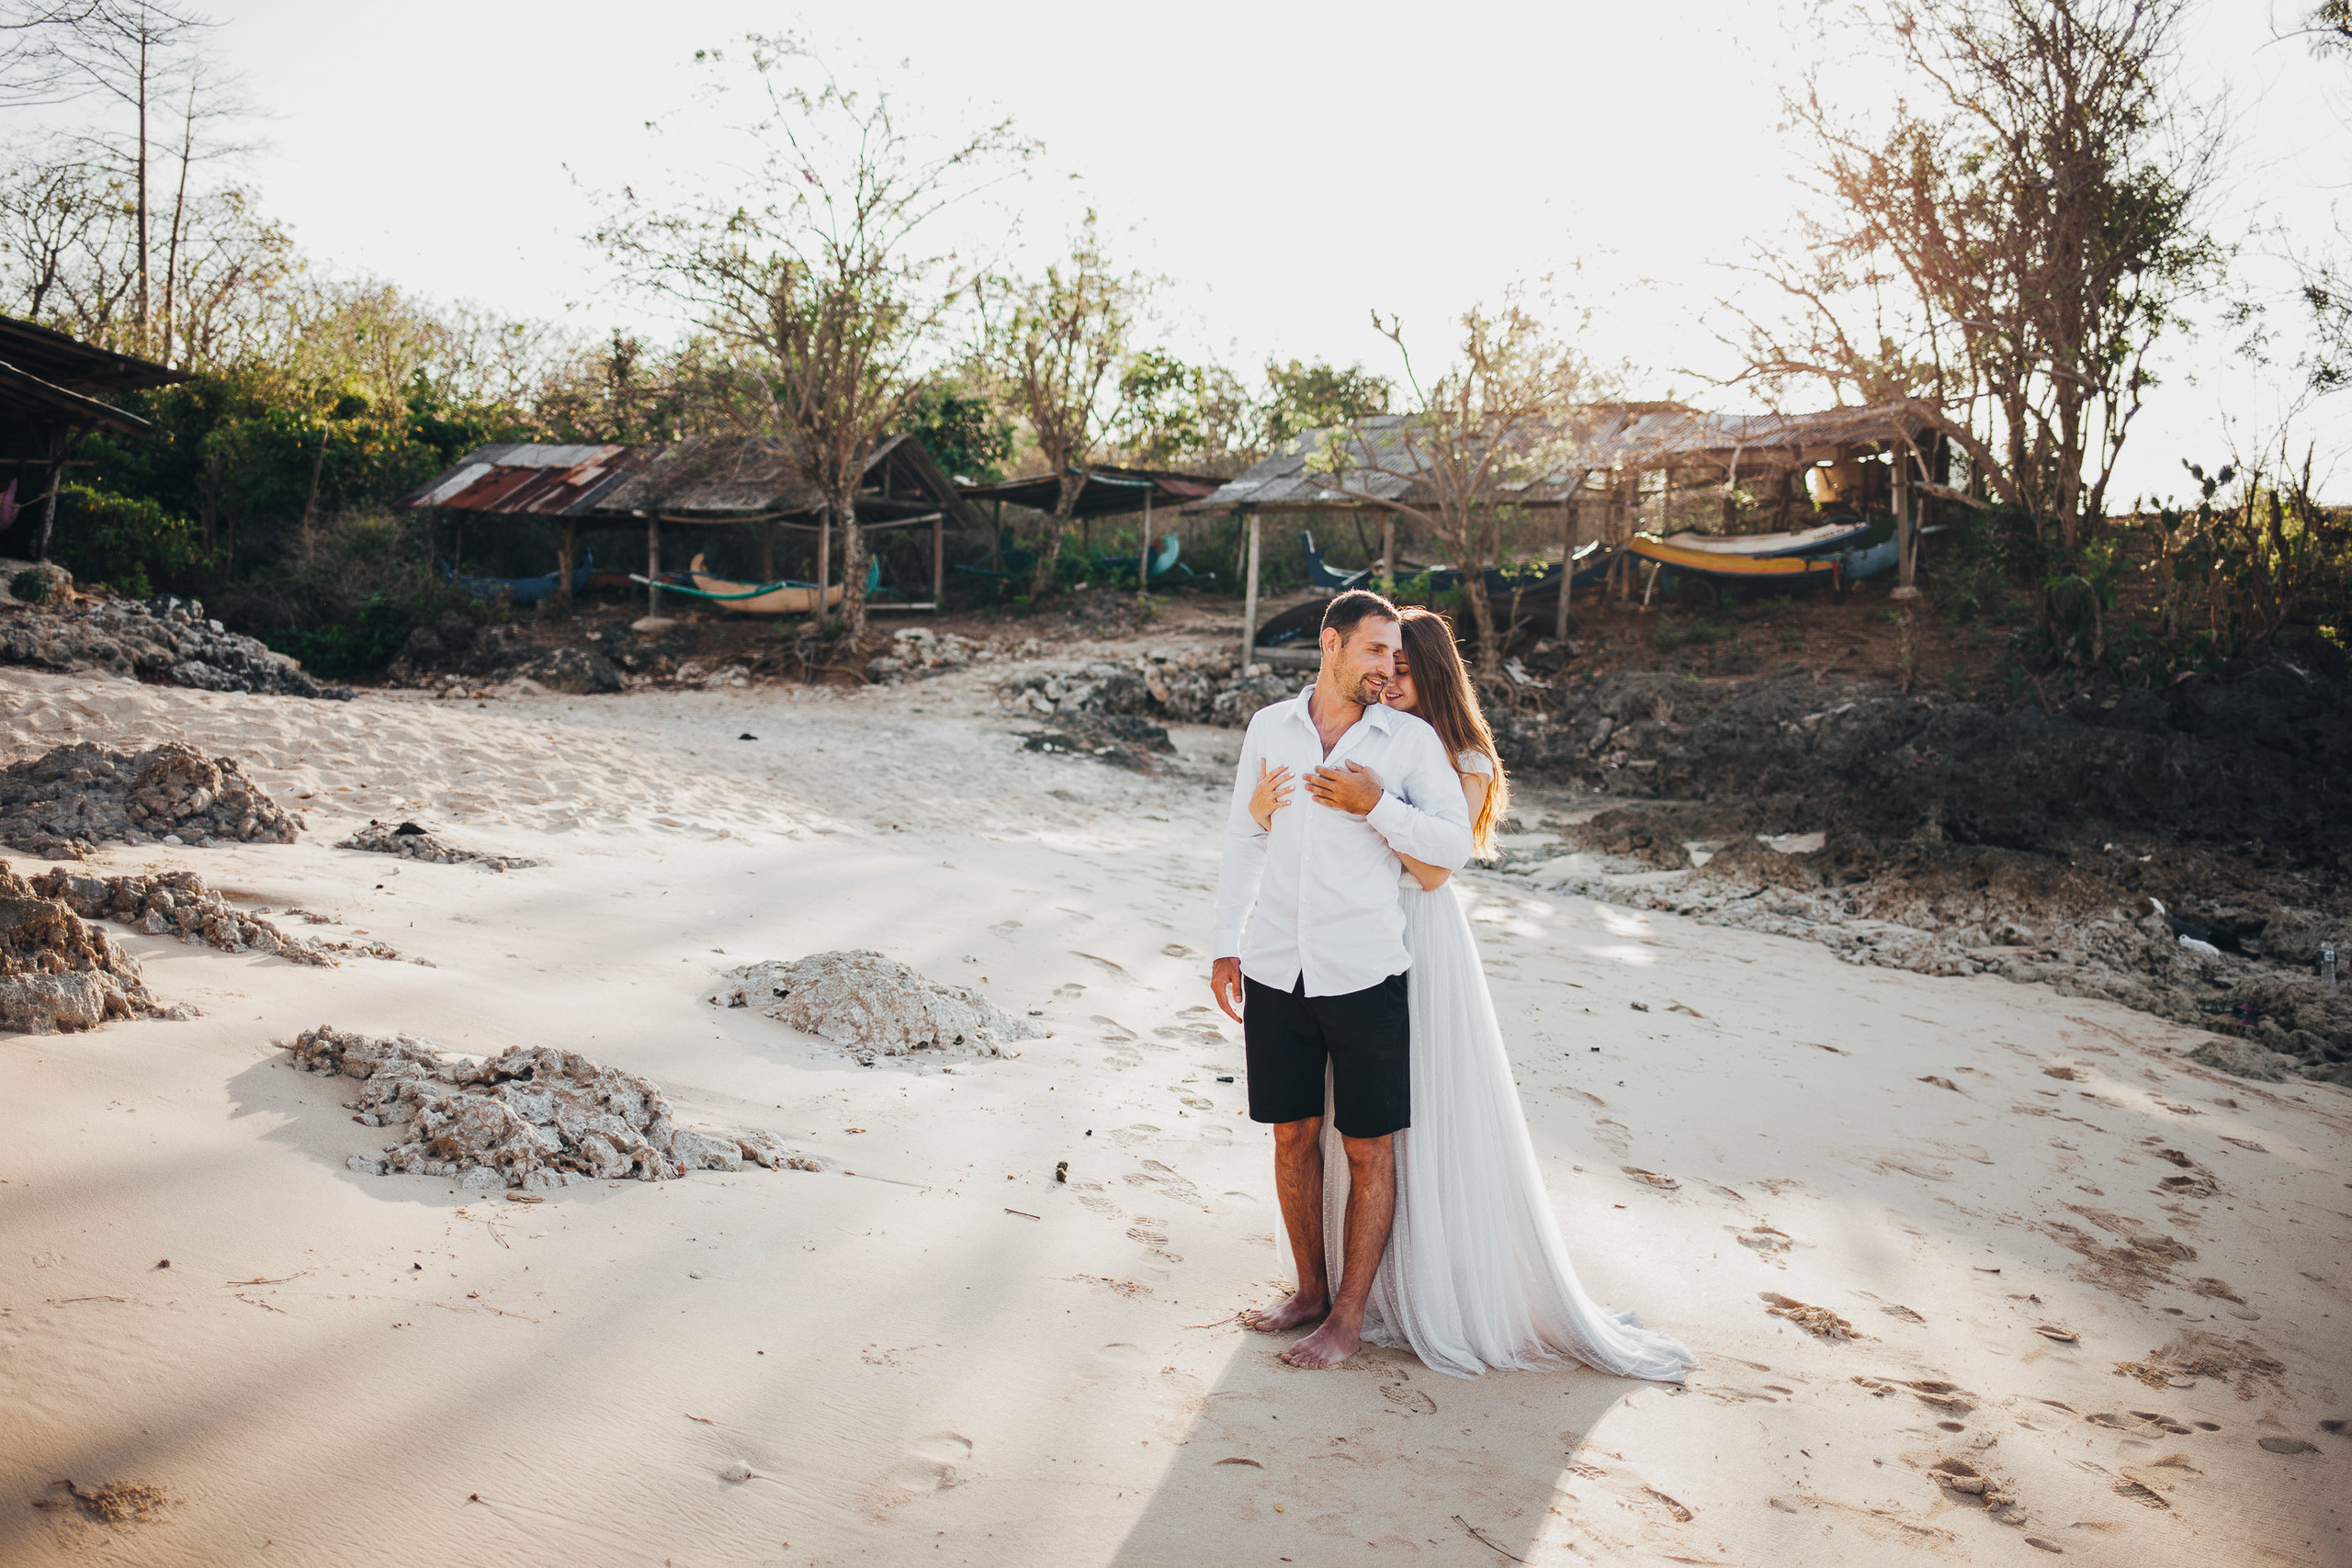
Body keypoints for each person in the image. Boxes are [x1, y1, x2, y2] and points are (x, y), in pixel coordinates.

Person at [1249, 606, 1695, 1382]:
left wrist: (1372, 803)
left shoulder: (1459, 758)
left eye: (1404, 670)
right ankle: (1341, 1285)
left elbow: (1431, 869)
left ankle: (1411, 1289)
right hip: (1345, 938)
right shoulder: (1369, 738)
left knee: (1407, 1120)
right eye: (1383, 665)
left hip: (1418, 934)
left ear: (1434, 674)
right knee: (1342, 1121)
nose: (1388, 681)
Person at [1209, 589, 1474, 1370]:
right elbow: (1244, 836)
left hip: (1364, 969)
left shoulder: (1409, 742)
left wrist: (1377, 803)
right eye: (1375, 649)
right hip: (1275, 965)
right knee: (1291, 1134)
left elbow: (1451, 849)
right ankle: (1309, 1291)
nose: (1388, 665)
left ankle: (1348, 1317)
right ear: (1331, 644)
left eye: (1395, 653)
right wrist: (1225, 945)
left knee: (1367, 1148)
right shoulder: (1269, 727)